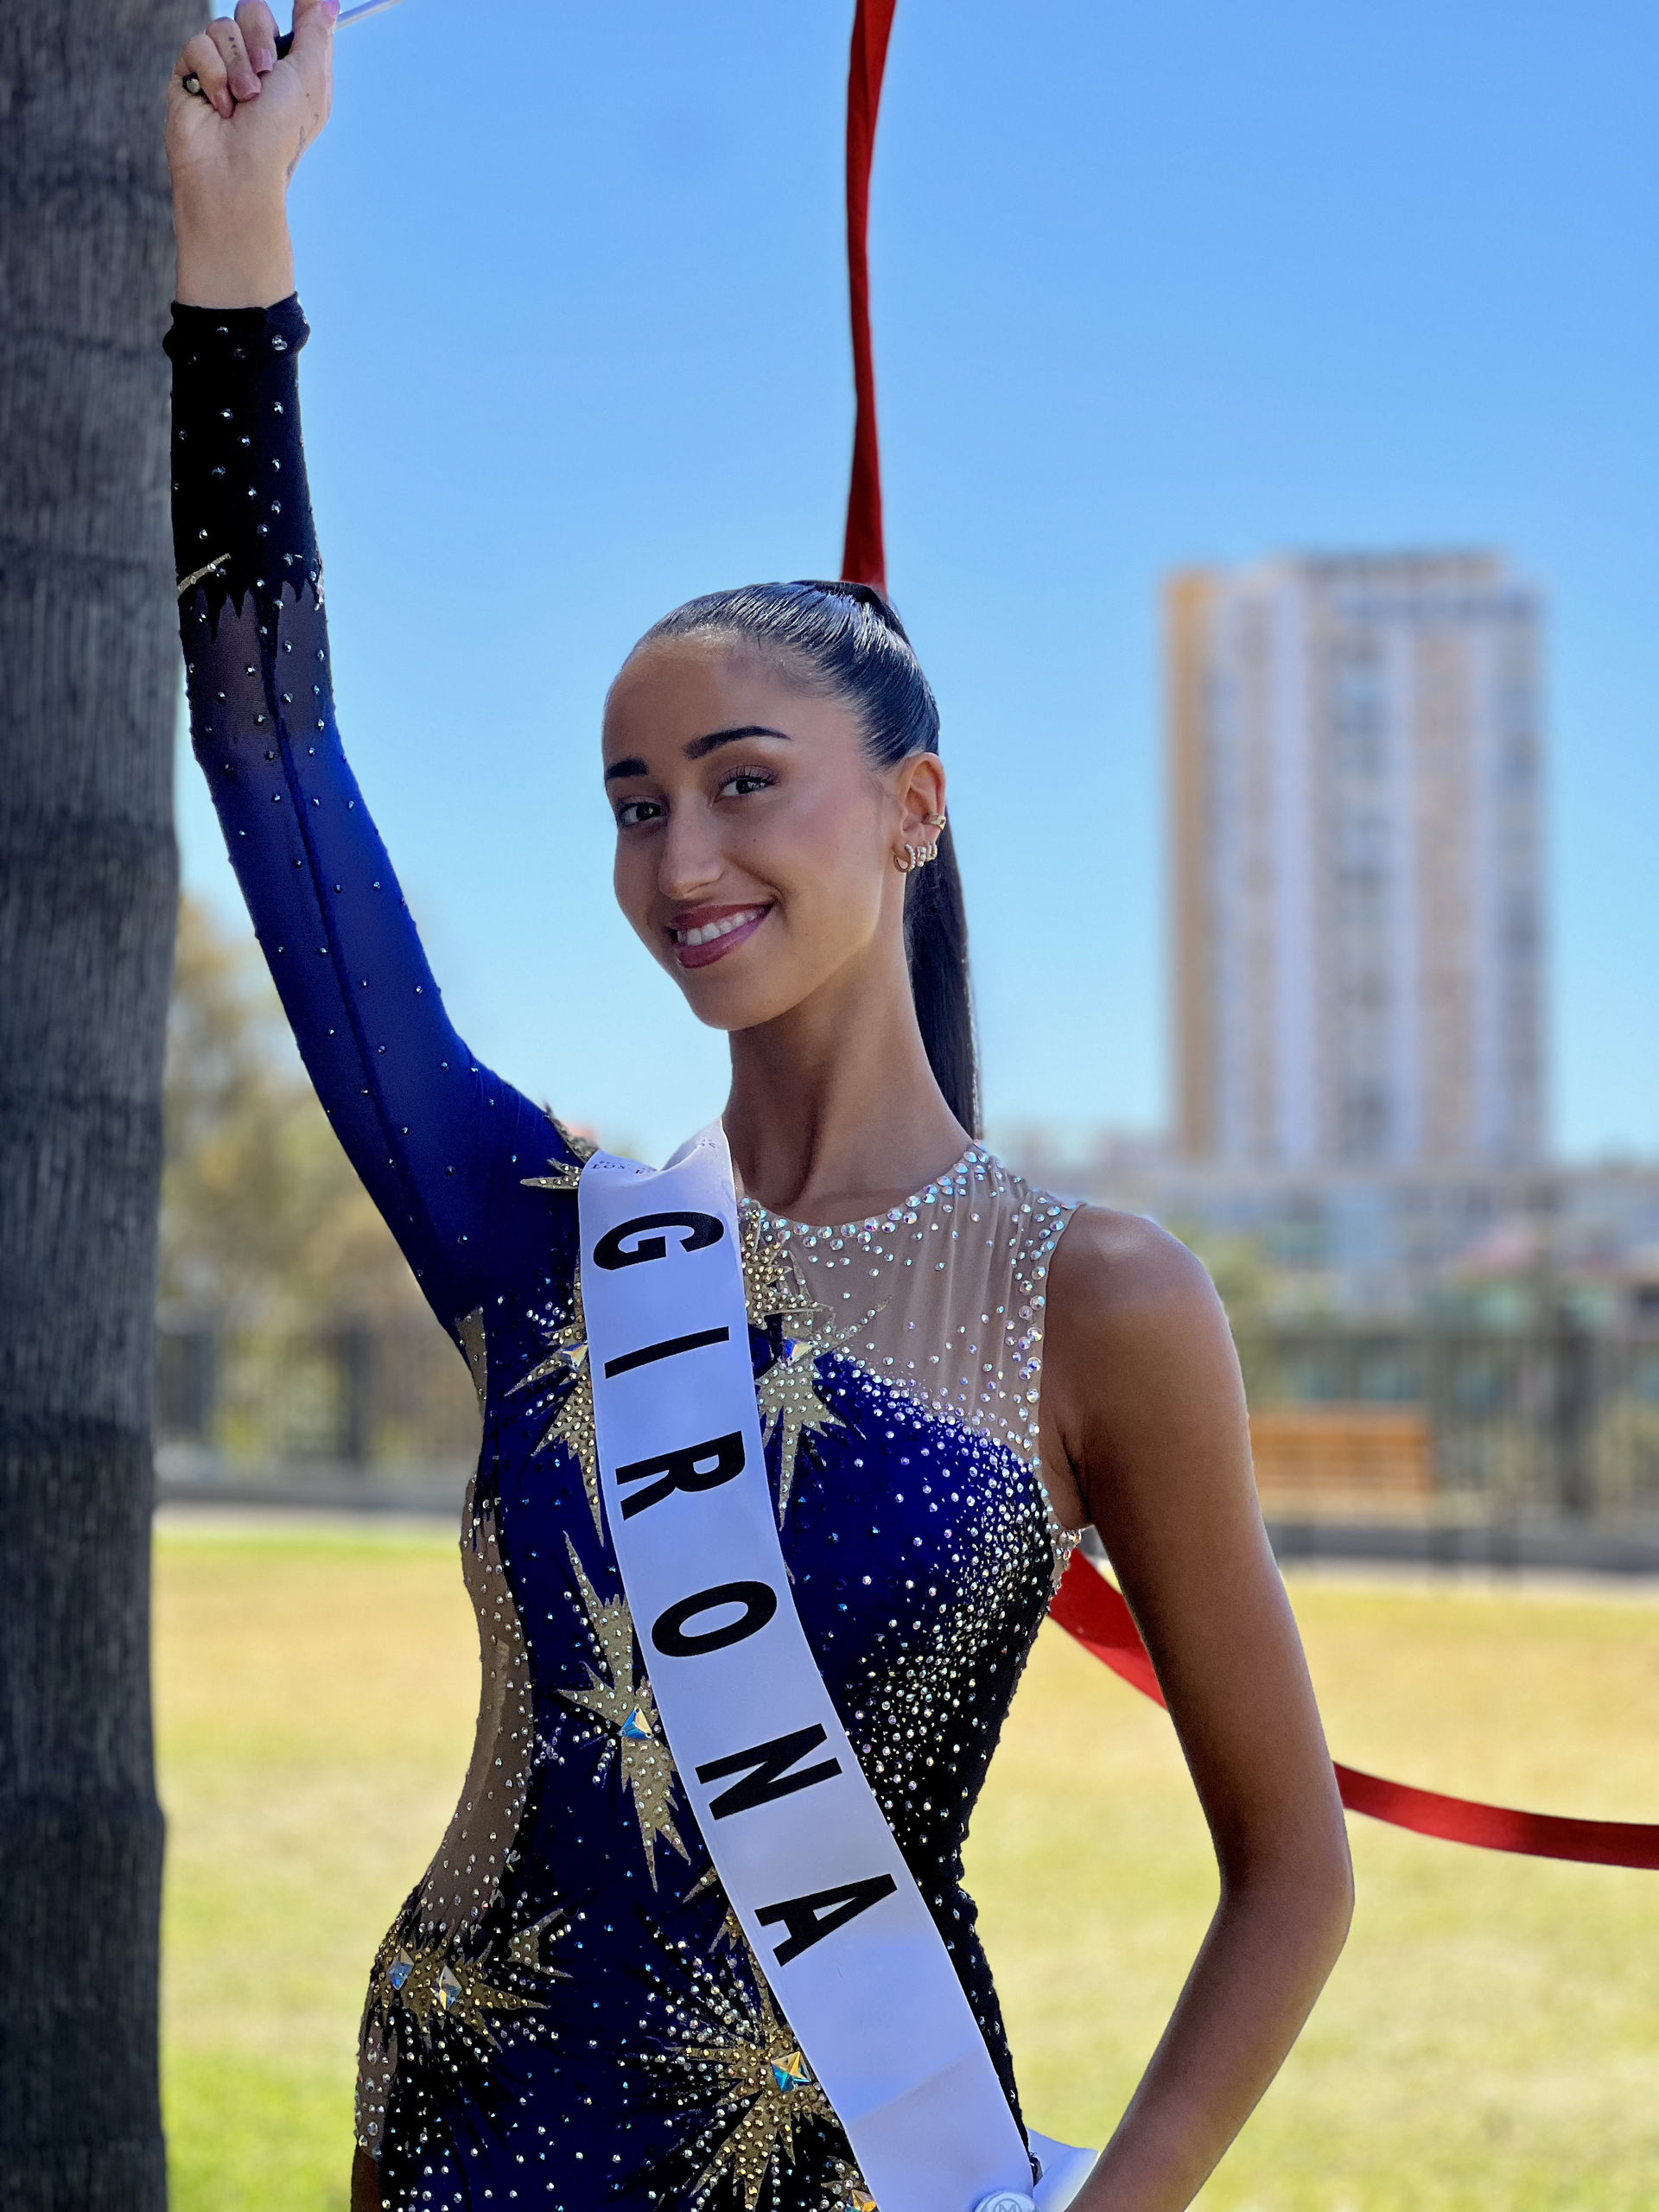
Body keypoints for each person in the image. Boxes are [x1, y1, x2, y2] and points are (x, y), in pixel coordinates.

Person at [162, 8, 1353, 2208]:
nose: (680, 857)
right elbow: (268, 750)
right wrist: (237, 260)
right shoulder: (535, 1232)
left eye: (740, 783)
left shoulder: (1097, 1299)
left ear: (911, 808)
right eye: (635, 803)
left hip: (855, 2169)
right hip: (464, 2141)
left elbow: (1293, 1864)